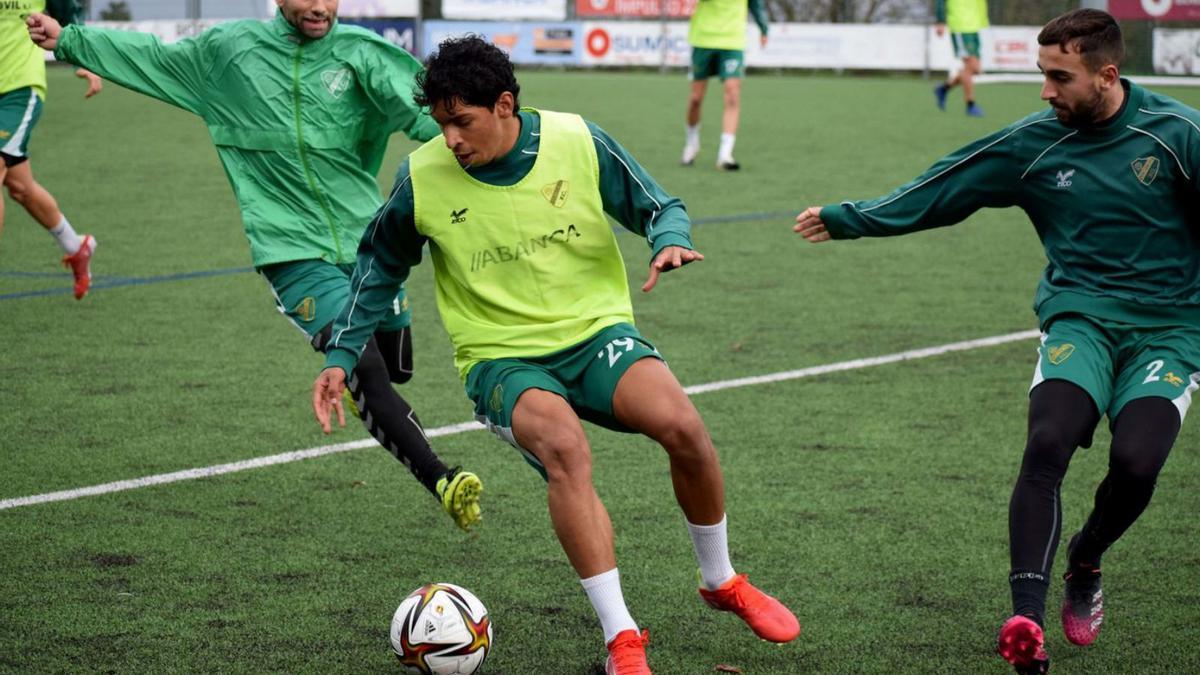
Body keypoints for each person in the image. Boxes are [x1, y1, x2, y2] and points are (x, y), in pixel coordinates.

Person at [313, 36, 800, 674]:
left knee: (684, 427)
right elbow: (377, 268)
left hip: (595, 333)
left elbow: (659, 204)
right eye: (441, 124)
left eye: (463, 121)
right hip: (501, 358)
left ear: (505, 105)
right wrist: (343, 355)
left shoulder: (576, 140)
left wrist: (668, 238)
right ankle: (621, 638)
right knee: (567, 450)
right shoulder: (422, 178)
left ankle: (720, 580)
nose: (451, 139)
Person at [795, 9, 1199, 674]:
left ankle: (1087, 557)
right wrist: (849, 219)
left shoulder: (1180, 134)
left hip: (1173, 329)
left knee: (1136, 462)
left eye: (1059, 78)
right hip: (1081, 319)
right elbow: (942, 187)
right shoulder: (1033, 145)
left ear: (1107, 75)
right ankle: (1026, 622)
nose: (1045, 92)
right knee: (1047, 441)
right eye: (1042, 75)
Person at [27, 0, 484, 530]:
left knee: (396, 365)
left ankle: (367, 391)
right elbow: (152, 55)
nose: (319, 6)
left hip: (367, 242)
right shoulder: (230, 53)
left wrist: (492, 151)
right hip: (287, 247)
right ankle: (444, 479)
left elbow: (435, 115)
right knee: (365, 367)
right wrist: (69, 40)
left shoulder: (365, 54)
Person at [2, 0, 101, 299]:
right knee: (20, 187)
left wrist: (84, 61)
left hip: (19, 91)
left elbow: (69, 13)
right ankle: (76, 246)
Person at [681, 0, 769, 170]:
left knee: (732, 94)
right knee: (695, 99)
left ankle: (725, 155)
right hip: (703, 39)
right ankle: (692, 143)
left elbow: (756, 4)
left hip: (732, 41)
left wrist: (763, 28)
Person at [934, 0, 988, 117]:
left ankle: (943, 89)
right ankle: (970, 104)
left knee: (976, 69)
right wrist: (940, 20)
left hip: (974, 25)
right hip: (960, 24)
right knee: (970, 65)